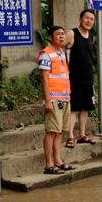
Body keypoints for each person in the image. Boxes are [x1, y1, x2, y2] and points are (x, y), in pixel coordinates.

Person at [38, 26, 76, 174]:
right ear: (50, 37)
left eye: (62, 34)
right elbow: (45, 80)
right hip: (53, 99)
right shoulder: (46, 54)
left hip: (64, 97)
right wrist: (47, 101)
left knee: (59, 132)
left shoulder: (61, 52)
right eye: (58, 34)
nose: (61, 36)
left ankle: (58, 161)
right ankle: (48, 165)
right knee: (51, 132)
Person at [64, 9, 97, 148]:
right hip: (74, 78)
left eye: (91, 19)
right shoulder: (72, 33)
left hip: (88, 77)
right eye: (86, 18)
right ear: (80, 18)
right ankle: (70, 136)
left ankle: (82, 134)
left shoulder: (91, 36)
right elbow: (60, 48)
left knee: (85, 108)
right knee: (74, 108)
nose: (89, 21)